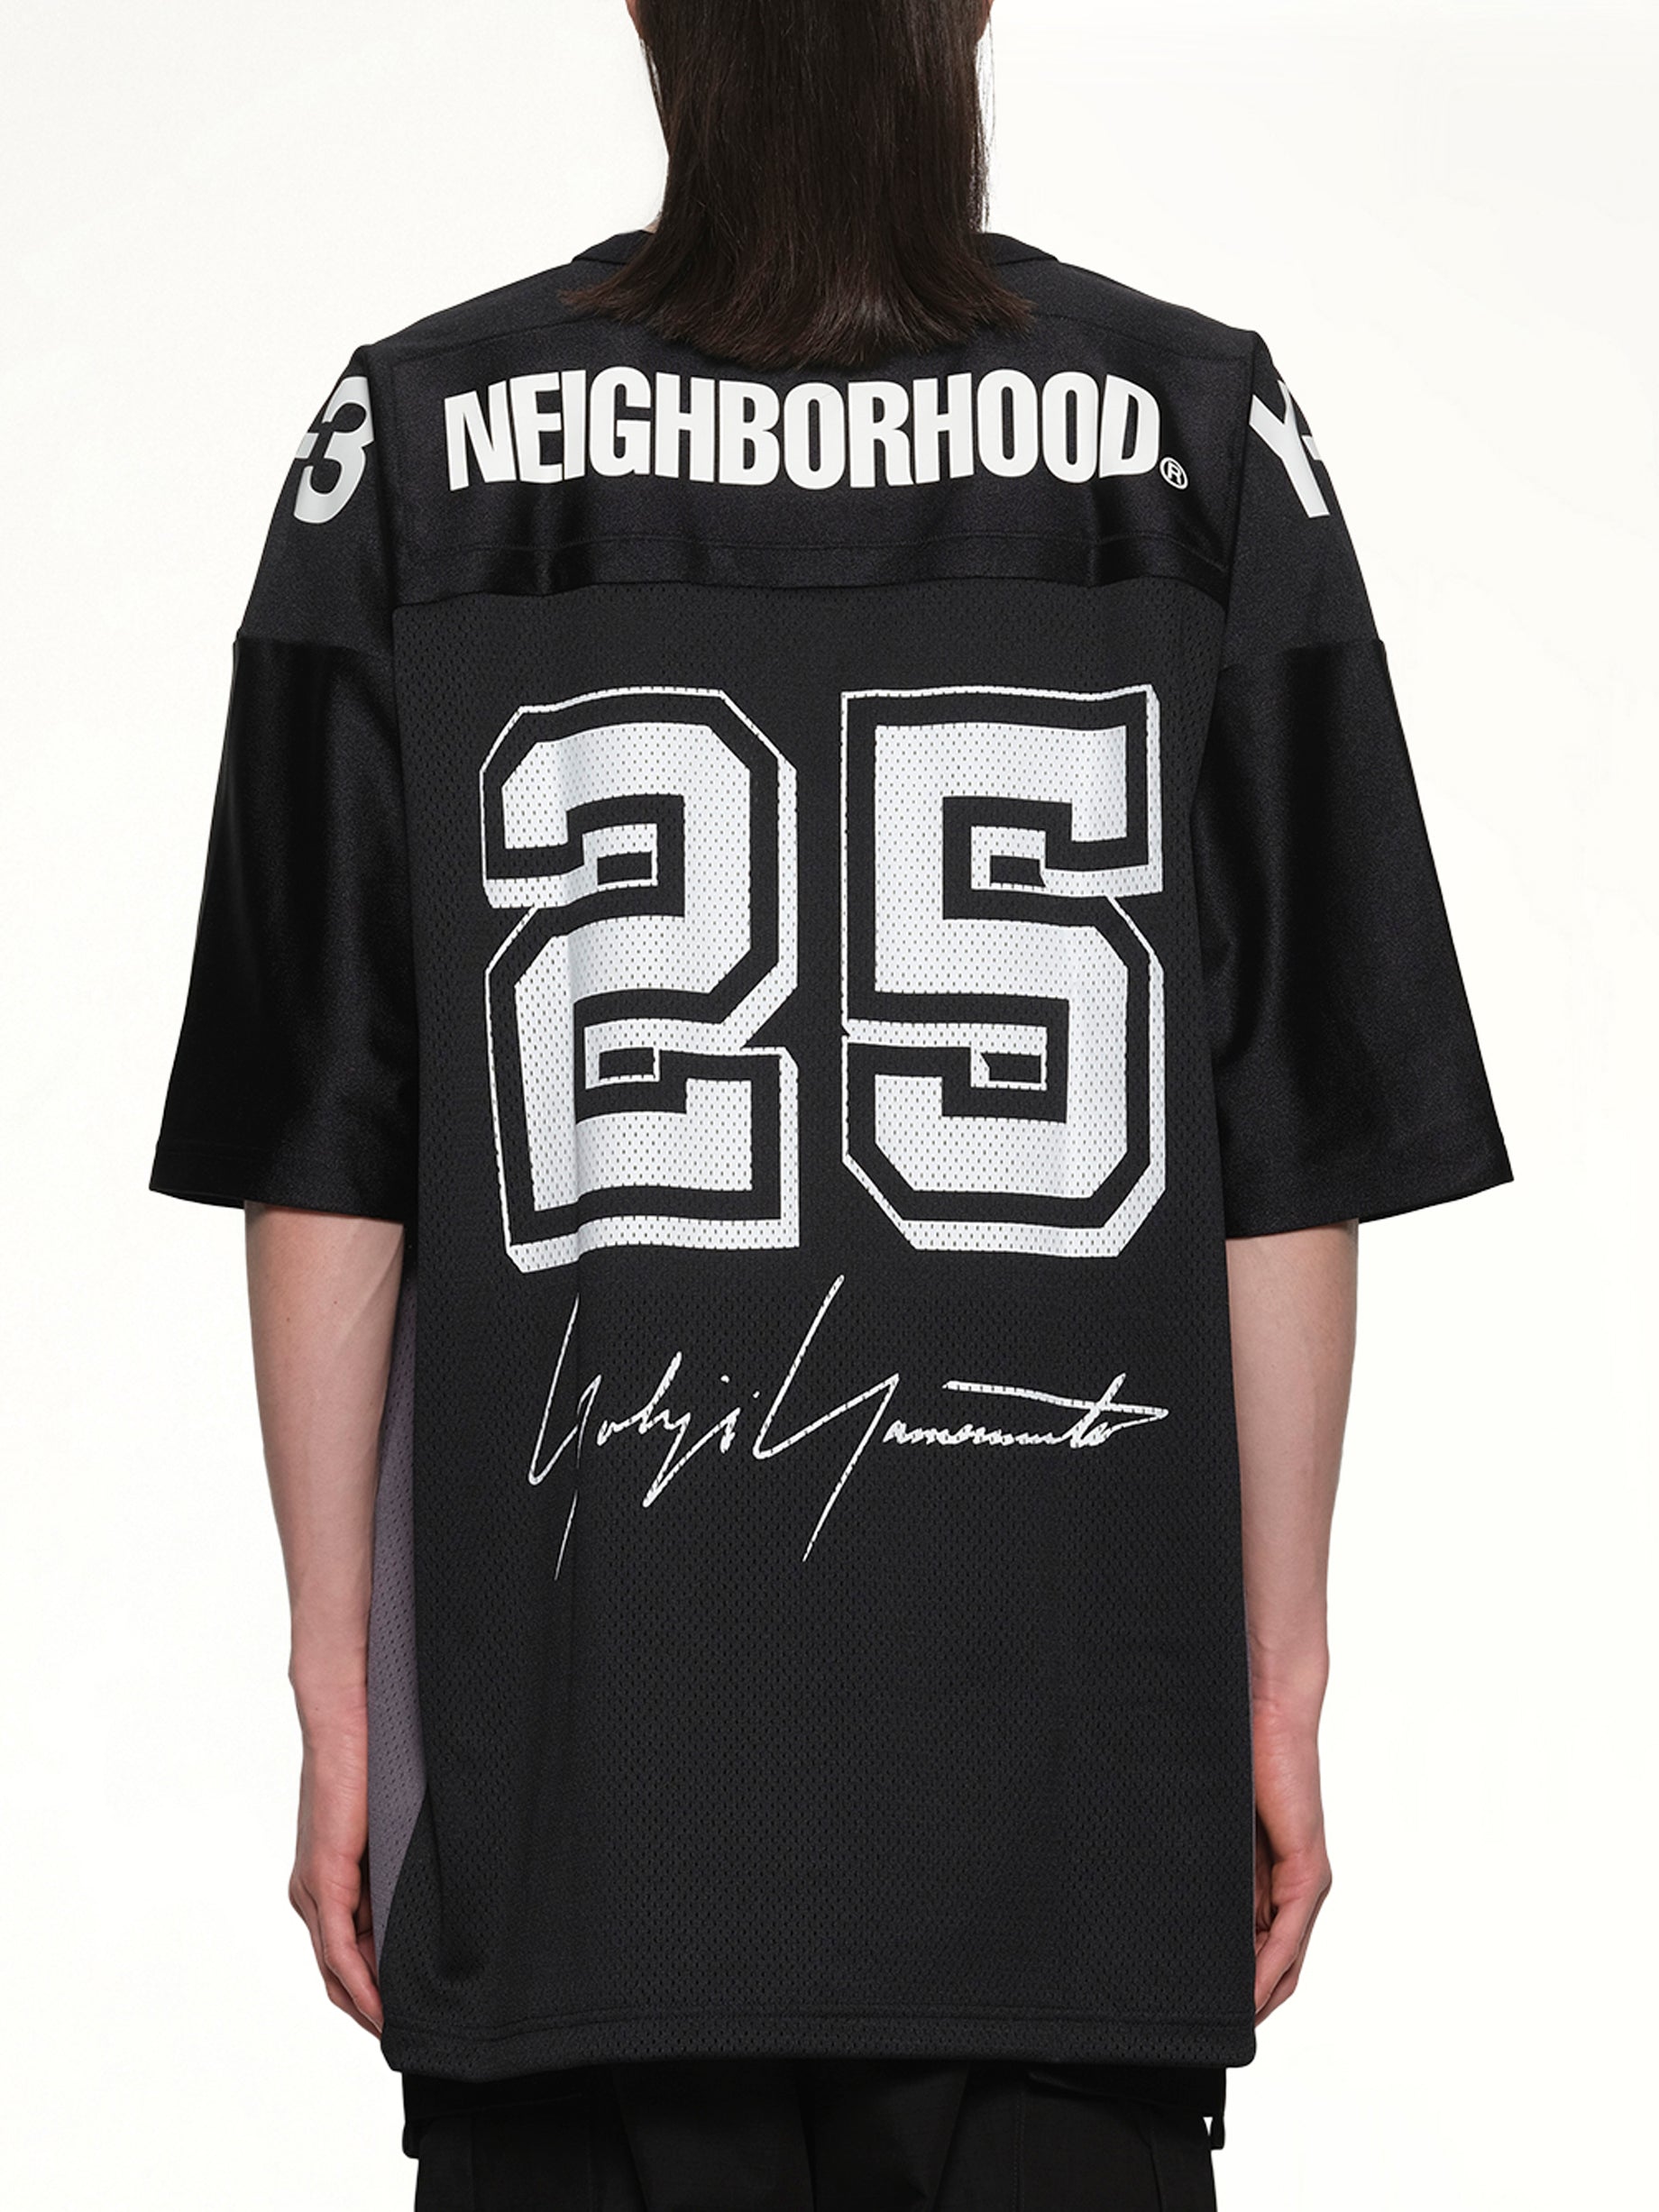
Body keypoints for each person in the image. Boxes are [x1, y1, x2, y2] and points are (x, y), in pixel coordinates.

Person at [148, 1, 1511, 2204]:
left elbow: (330, 1145)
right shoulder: (1194, 436)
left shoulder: (410, 438)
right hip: (1058, 1800)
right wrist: (1276, 1684)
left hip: (589, 1796)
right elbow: (1282, 1152)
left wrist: (339, 1688)